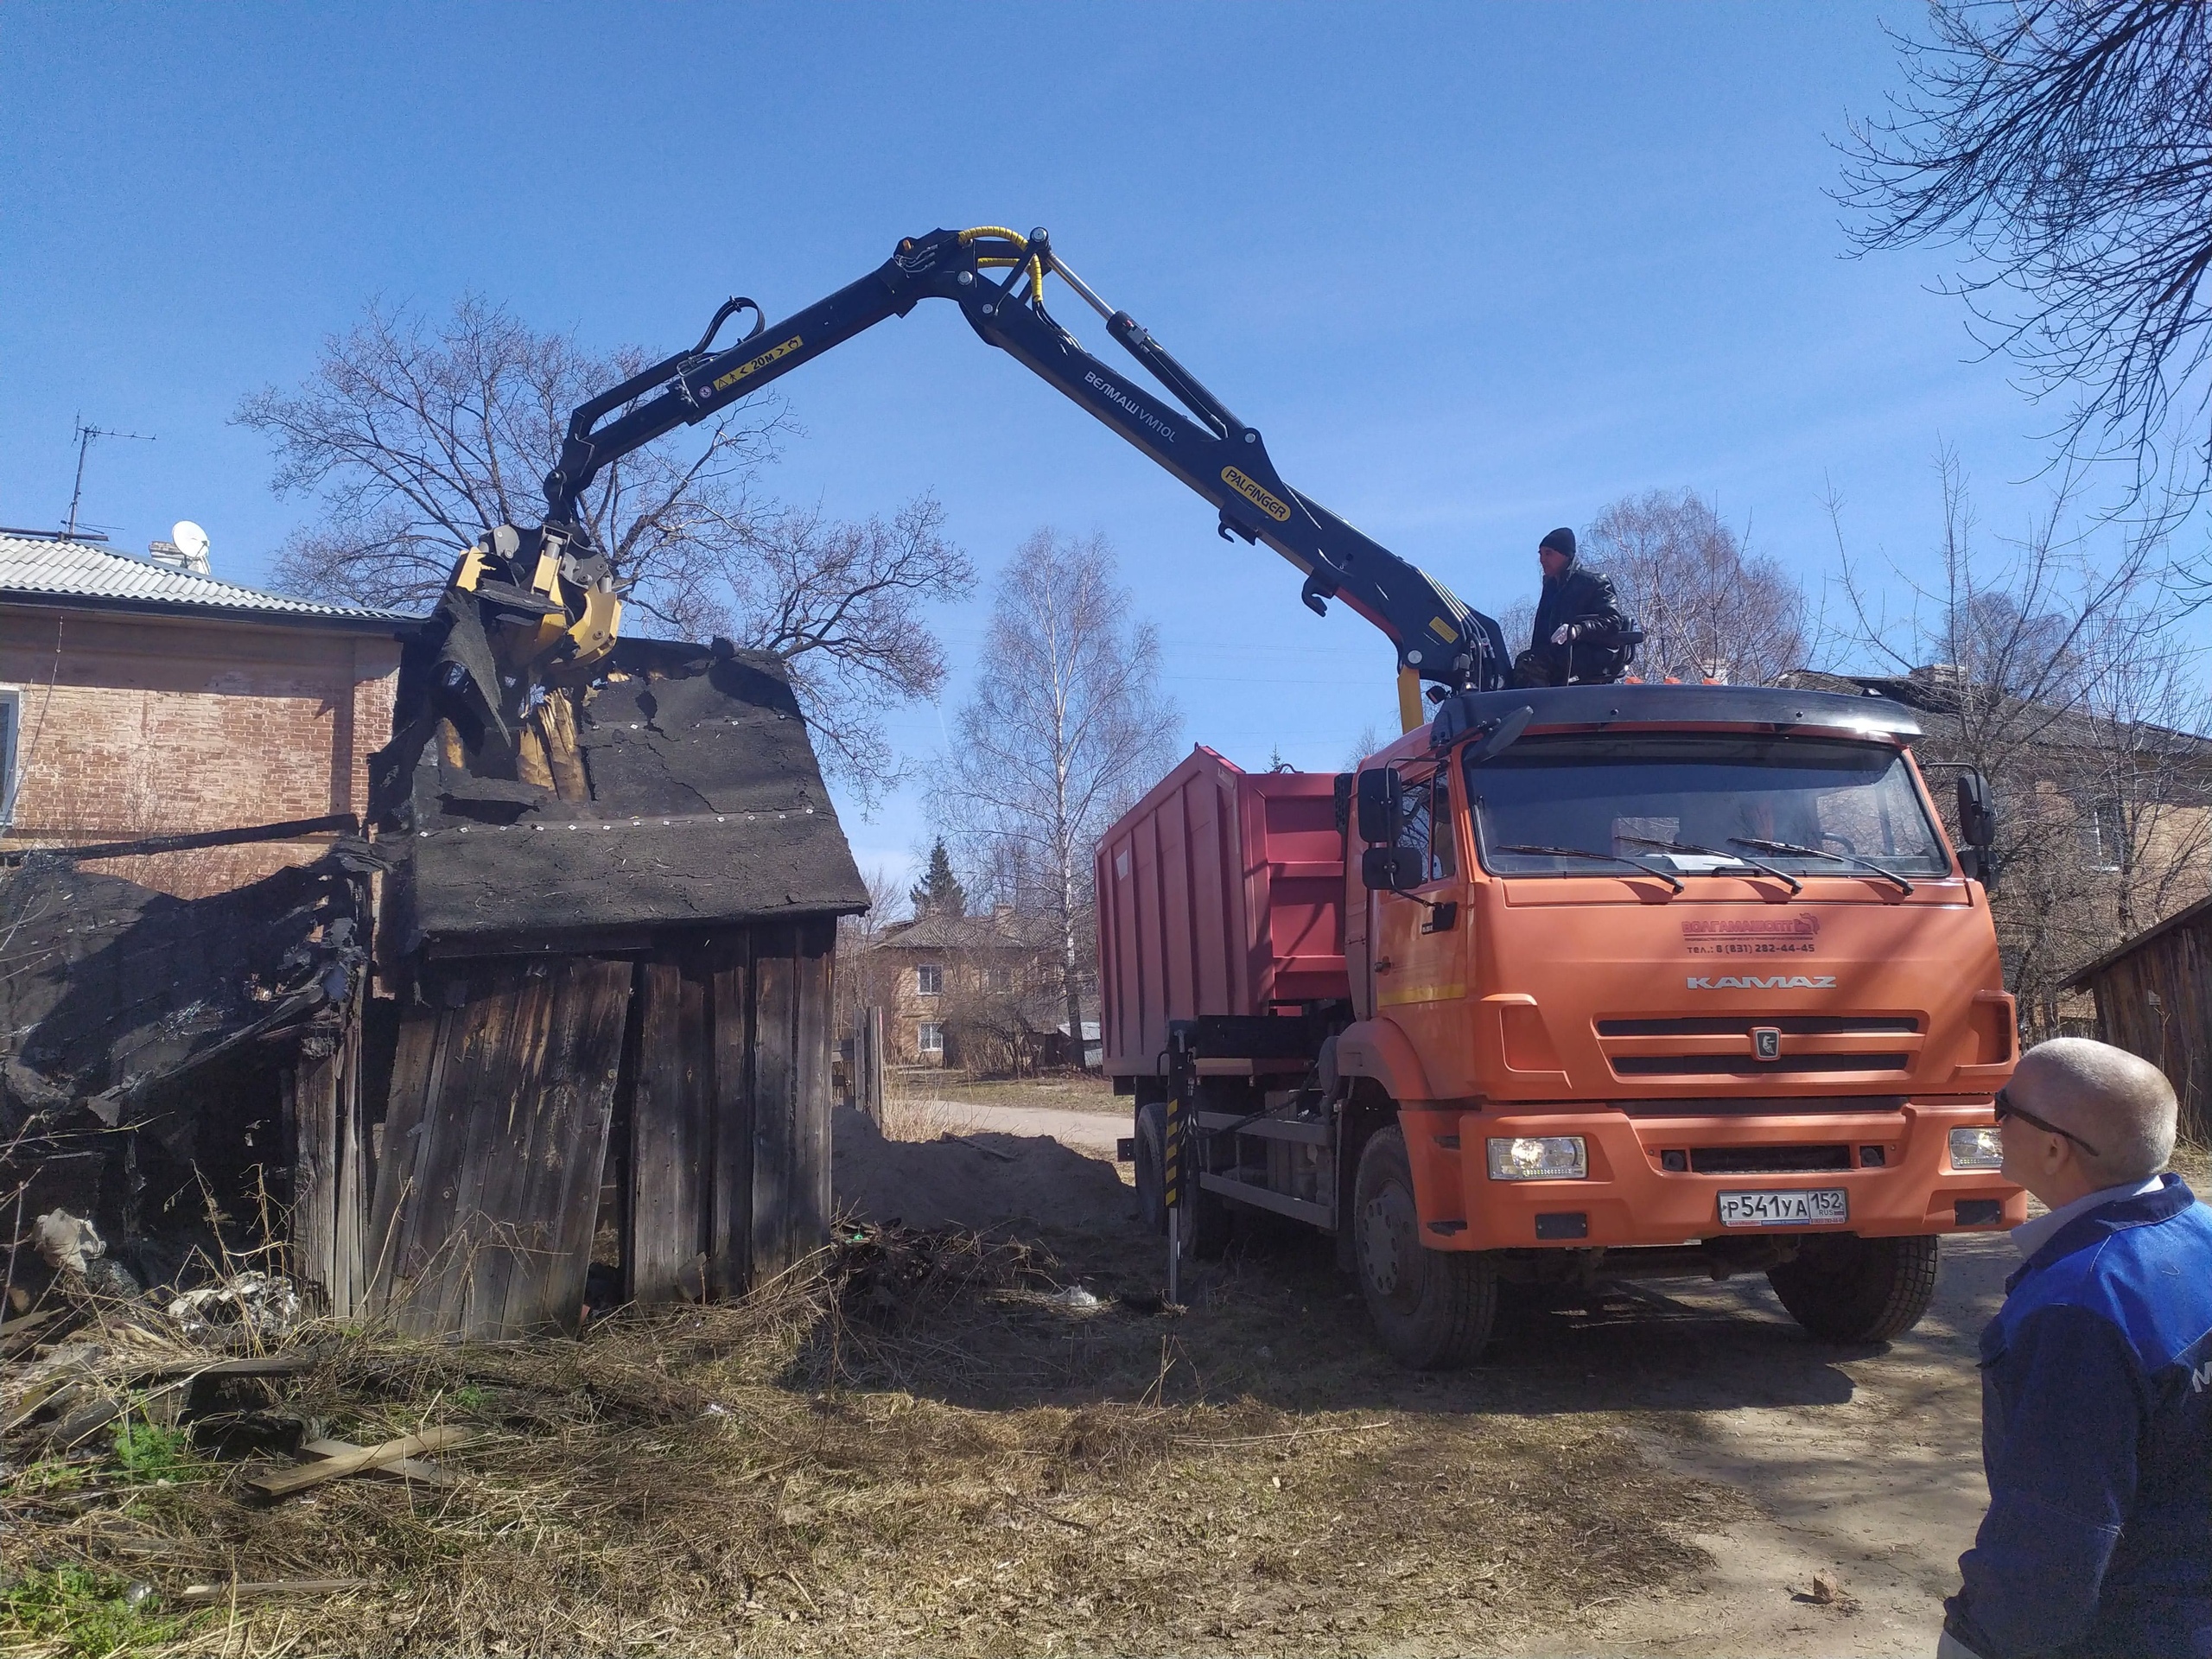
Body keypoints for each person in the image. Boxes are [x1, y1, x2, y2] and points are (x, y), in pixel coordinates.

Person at [1939, 1037, 2212, 1659]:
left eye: (2005, 1105)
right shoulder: (2200, 1235)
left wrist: (1980, 1640)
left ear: (2055, 1148)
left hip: (2139, 1630)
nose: (1994, 1119)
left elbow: (2054, 1536)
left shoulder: (2079, 1304)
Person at [1514, 526, 1625, 687]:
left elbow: (1613, 620)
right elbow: (1541, 634)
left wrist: (1577, 630)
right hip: (1559, 655)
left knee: (1529, 664)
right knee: (1520, 665)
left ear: (1566, 555)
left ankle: (1541, 709)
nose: (1542, 560)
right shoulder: (1551, 586)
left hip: (1588, 655)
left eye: (1548, 553)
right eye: (1540, 554)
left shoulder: (1594, 582)